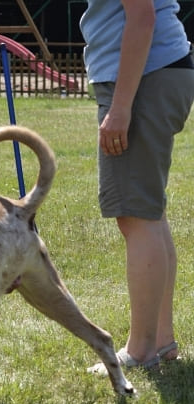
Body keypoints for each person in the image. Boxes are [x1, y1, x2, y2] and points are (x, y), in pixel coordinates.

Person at [80, 0, 194, 373]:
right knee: (148, 213)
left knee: (136, 216)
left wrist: (121, 107)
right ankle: (161, 340)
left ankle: (142, 350)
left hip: (144, 77)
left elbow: (141, 18)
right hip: (158, 72)